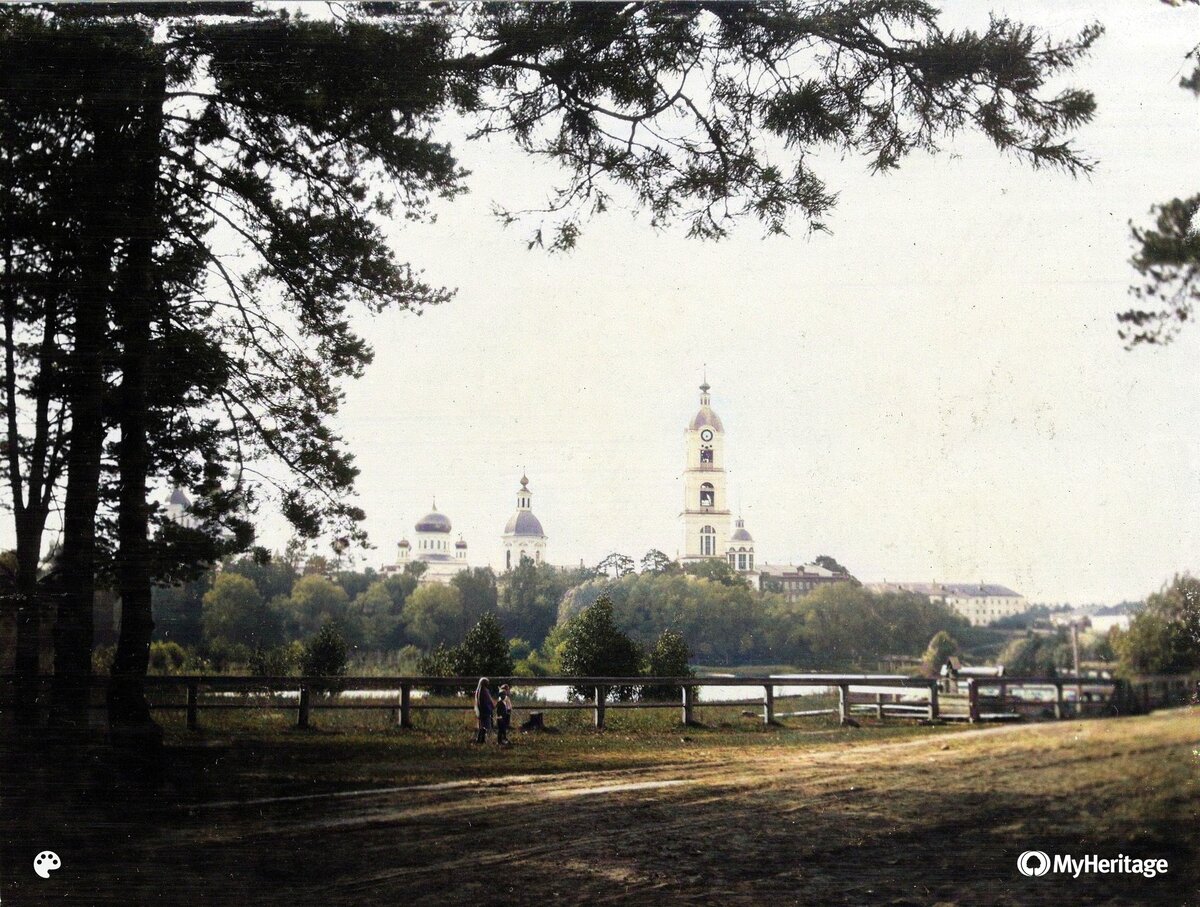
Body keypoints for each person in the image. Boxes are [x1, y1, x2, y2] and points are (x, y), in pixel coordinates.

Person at [473, 677, 496, 745]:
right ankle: (482, 739)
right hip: (486, 710)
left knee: (482, 726)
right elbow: (489, 701)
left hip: (481, 711)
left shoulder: (478, 691)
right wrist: (492, 707)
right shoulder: (485, 691)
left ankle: (480, 739)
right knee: (486, 726)